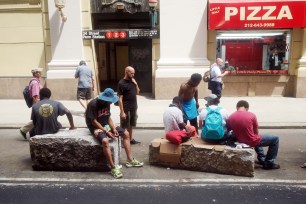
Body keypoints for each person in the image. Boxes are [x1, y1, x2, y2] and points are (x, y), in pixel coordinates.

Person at [85, 88, 143, 179]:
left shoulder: (107, 103)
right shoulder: (93, 104)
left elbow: (108, 118)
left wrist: (113, 128)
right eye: (110, 101)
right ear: (104, 98)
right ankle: (113, 168)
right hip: (96, 127)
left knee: (126, 134)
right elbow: (93, 121)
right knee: (105, 141)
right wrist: (106, 132)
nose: (111, 103)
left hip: (106, 125)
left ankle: (130, 159)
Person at [227, 100, 280, 170]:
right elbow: (256, 132)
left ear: (237, 107)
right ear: (247, 108)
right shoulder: (251, 115)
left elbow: (229, 129)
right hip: (250, 141)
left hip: (239, 140)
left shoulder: (231, 116)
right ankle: (268, 163)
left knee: (255, 137)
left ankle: (262, 159)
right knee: (275, 139)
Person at [117, 66, 140, 145]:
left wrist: (136, 84)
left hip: (133, 107)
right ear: (126, 72)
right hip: (126, 108)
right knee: (124, 126)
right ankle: (123, 142)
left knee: (131, 125)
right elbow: (120, 99)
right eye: (131, 73)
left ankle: (130, 139)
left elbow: (138, 92)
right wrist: (122, 112)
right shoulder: (121, 83)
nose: (133, 75)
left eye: (134, 73)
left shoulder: (132, 81)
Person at [19, 67, 43, 139]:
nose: (40, 73)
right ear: (35, 73)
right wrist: (38, 105)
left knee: (38, 119)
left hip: (36, 103)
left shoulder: (35, 81)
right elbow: (35, 96)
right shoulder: (35, 83)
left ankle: (31, 132)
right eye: (38, 72)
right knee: (38, 119)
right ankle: (24, 130)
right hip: (37, 102)